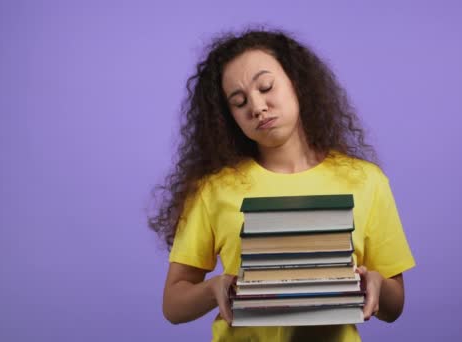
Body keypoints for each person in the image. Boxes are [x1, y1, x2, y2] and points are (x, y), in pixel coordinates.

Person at [149, 28, 415, 341]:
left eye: (266, 87)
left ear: (297, 83)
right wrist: (214, 288)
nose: (257, 107)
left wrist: (377, 285)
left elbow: (394, 307)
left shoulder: (366, 181)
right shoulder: (214, 189)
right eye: (239, 102)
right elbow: (173, 304)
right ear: (228, 116)